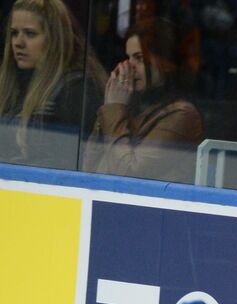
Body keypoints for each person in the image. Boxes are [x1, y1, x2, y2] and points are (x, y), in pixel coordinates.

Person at [82, 19, 203, 183]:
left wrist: (114, 108)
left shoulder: (182, 114)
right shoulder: (130, 106)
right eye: (128, 58)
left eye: (139, 58)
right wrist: (110, 107)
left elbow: (128, 175)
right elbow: (88, 166)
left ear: (165, 63)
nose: (129, 66)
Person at [0, 0, 104, 168]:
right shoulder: (15, 81)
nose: (18, 42)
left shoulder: (75, 91)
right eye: (14, 33)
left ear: (54, 38)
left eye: (30, 33)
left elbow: (68, 162)